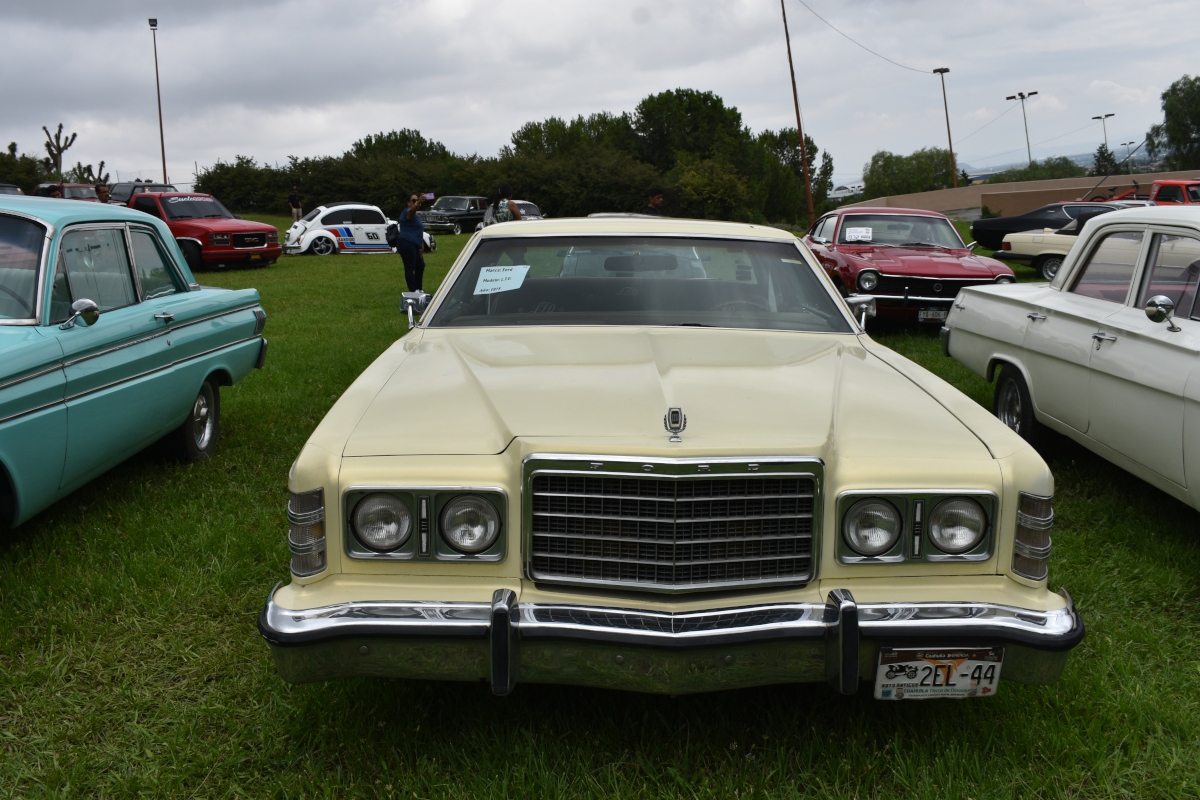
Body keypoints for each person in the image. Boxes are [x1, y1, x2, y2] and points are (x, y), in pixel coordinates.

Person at [396, 192, 427, 292]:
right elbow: (410, 213)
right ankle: (413, 291)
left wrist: (421, 245)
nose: (415, 202)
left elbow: (419, 231)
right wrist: (418, 203)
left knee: (420, 266)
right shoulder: (406, 212)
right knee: (410, 267)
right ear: (408, 203)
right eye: (413, 200)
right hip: (406, 242)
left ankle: (419, 288)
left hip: (415, 244)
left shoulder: (416, 216)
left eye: (417, 200)